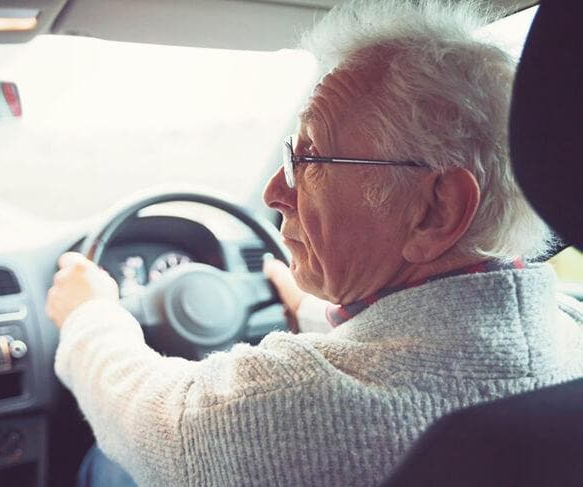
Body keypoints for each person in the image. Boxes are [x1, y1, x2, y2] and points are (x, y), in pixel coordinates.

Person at [46, 1, 583, 485]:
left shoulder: (288, 402)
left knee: (105, 466)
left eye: (312, 159)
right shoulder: (569, 328)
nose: (275, 190)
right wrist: (309, 309)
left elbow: (150, 419)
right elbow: (434, 346)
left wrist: (89, 316)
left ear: (436, 210)